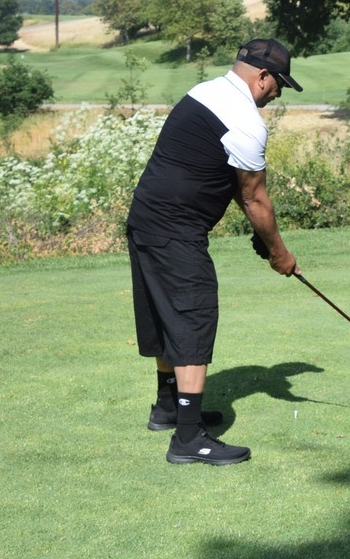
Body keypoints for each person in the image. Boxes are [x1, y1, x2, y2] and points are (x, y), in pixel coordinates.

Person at [126, 38, 303, 465]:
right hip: (175, 230)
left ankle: (168, 408)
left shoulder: (204, 91)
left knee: (168, 314)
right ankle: (188, 439)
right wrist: (280, 253)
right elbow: (255, 198)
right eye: (278, 85)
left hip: (146, 219)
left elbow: (233, 188)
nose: (275, 95)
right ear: (263, 76)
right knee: (192, 317)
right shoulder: (245, 118)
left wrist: (265, 240)